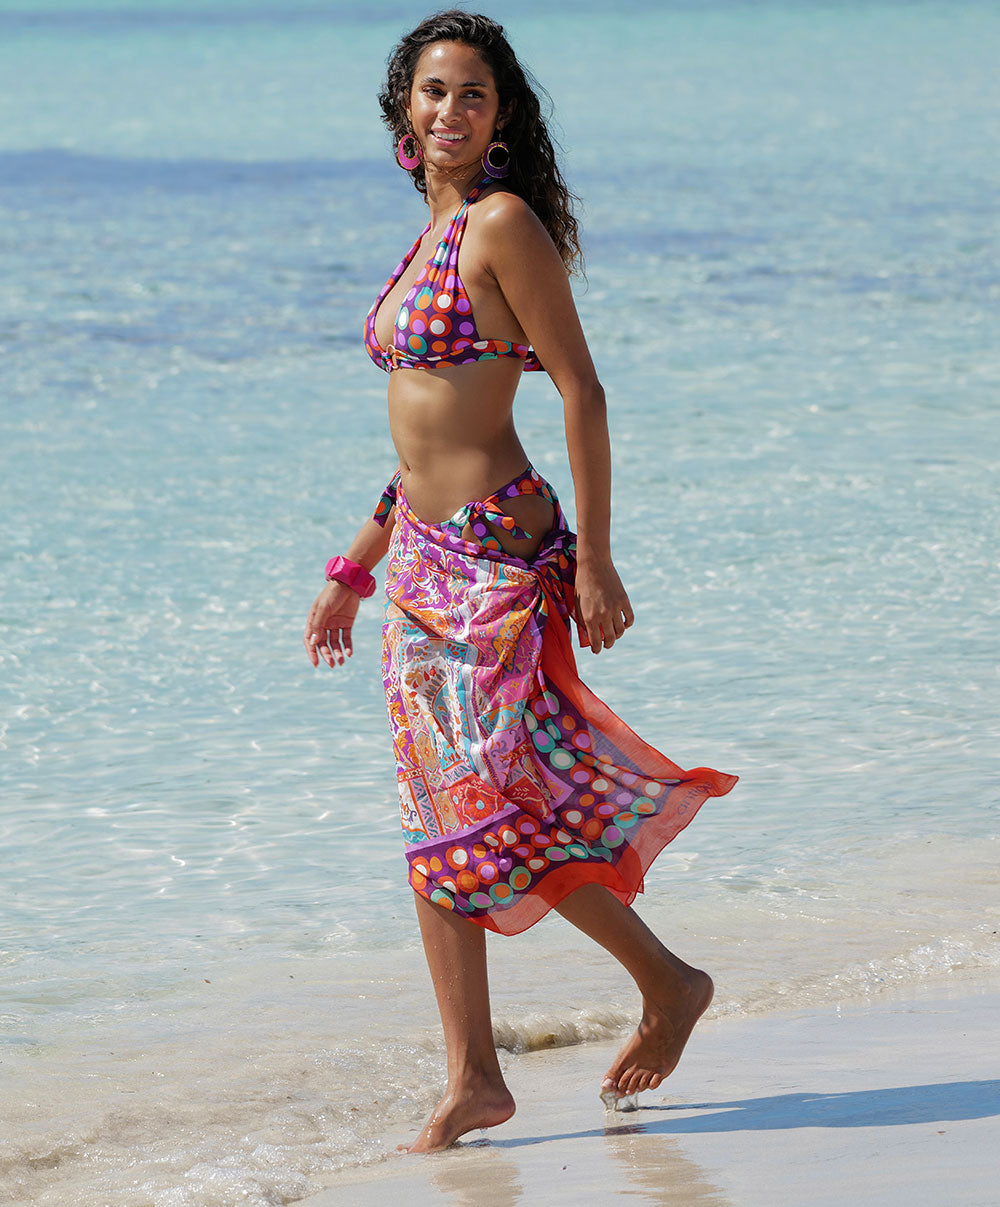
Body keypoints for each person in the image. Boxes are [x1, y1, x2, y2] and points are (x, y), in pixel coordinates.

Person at [304, 10, 737, 1153]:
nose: (449, 110)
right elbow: (418, 443)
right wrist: (355, 565)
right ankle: (475, 1075)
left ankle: (664, 982)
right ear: (404, 110)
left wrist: (597, 556)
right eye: (432, 90)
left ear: (500, 120)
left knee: (482, 803)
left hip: (496, 554)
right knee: (436, 815)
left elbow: (581, 390)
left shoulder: (500, 224)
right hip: (420, 562)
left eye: (472, 94)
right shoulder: (426, 239)